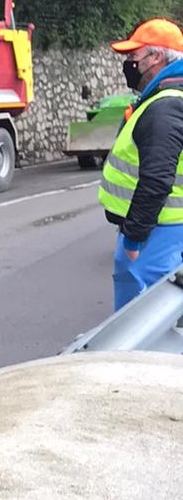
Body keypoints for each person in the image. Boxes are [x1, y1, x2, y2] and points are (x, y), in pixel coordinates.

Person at [99, 18, 183, 310]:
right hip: (163, 228)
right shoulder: (165, 99)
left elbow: (157, 179)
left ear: (156, 57)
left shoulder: (165, 106)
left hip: (157, 231)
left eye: (134, 57)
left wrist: (134, 239)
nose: (129, 64)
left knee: (144, 313)